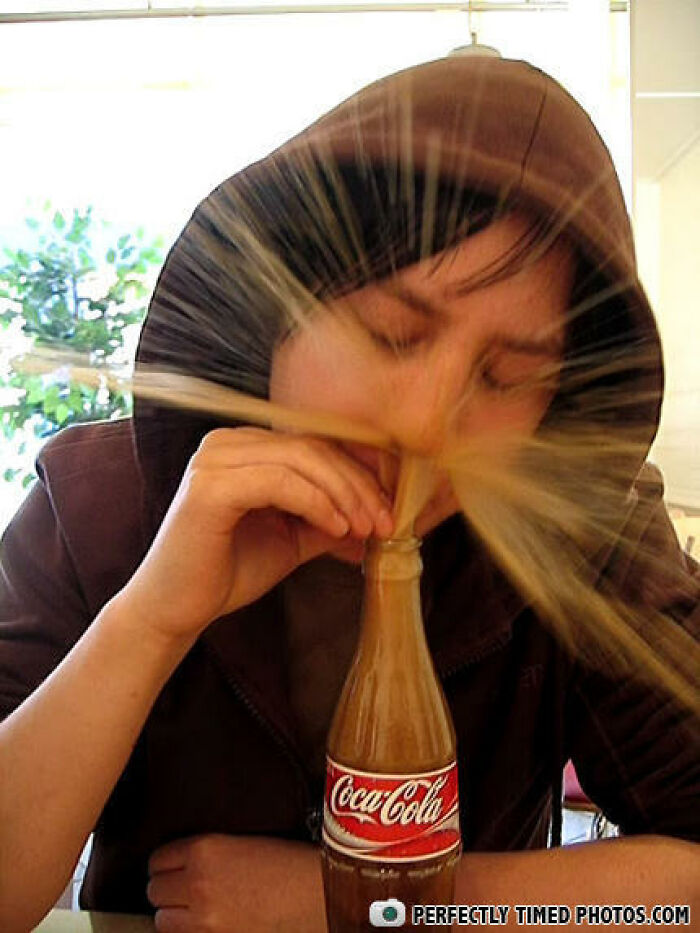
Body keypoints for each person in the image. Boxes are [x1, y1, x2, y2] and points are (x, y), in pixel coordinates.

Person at [0, 55, 699, 933]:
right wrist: (150, 619)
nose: (426, 423)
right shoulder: (92, 505)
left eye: (505, 376)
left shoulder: (584, 539)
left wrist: (375, 902)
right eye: (392, 333)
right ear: (278, 307)